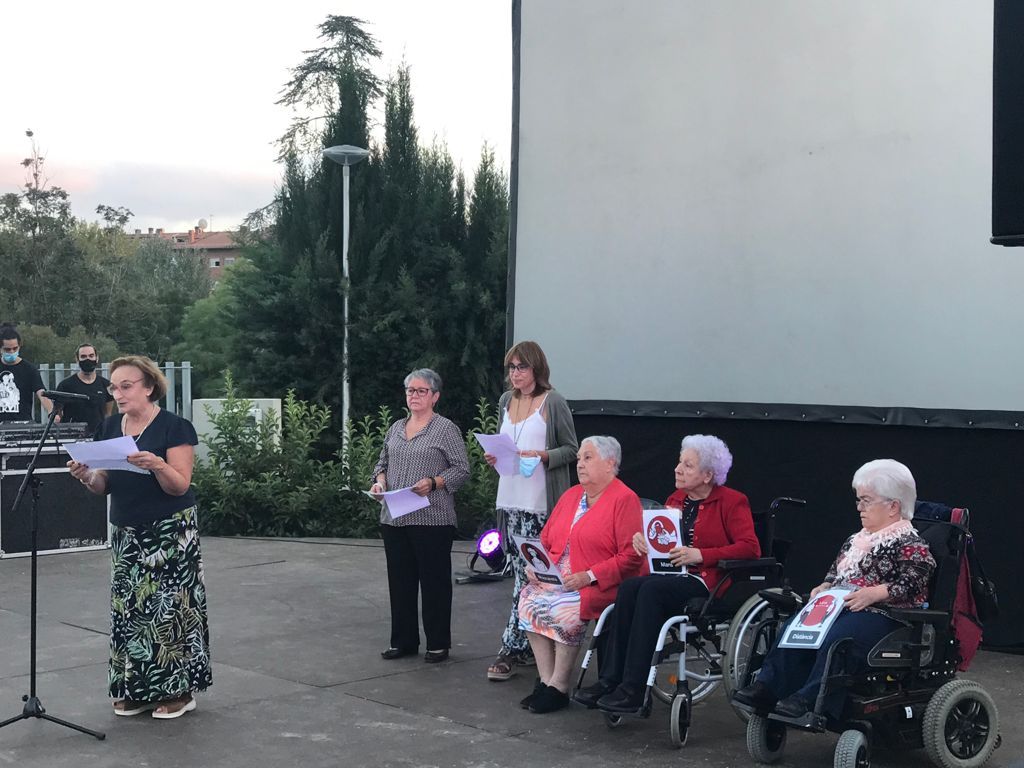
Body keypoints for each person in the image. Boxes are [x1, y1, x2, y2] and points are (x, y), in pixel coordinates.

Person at [732, 459, 935, 719]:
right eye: (858, 500)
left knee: (838, 638)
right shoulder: (856, 539)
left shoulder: (909, 542)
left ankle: (810, 698)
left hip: (887, 615)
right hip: (843, 606)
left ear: (893, 506)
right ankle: (768, 687)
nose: (860, 508)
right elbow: (834, 573)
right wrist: (825, 586)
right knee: (798, 627)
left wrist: (875, 593)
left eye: (866, 501)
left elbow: (915, 580)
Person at [67, 355, 211, 719]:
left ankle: (178, 691)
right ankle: (136, 689)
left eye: (126, 386)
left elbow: (180, 486)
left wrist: (158, 464)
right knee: (129, 609)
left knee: (170, 609)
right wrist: (86, 476)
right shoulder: (110, 426)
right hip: (127, 530)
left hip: (169, 530)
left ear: (149, 387)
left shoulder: (174, 428)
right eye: (114, 387)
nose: (118, 393)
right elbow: (104, 485)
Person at [576, 434, 760, 713]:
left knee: (650, 591)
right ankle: (610, 680)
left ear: (708, 474)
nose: (677, 469)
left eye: (688, 465)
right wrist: (643, 542)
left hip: (709, 582)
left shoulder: (732, 502)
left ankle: (634, 689)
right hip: (674, 575)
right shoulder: (676, 499)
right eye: (679, 462)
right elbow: (661, 540)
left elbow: (750, 548)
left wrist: (702, 555)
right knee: (629, 588)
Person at [517, 436, 644, 714]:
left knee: (564, 609)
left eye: (588, 458)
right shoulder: (572, 495)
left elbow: (631, 557)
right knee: (527, 601)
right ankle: (546, 681)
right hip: (556, 575)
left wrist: (589, 576)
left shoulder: (625, 499)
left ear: (610, 464)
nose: (580, 465)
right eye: (579, 459)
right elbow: (547, 538)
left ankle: (560, 686)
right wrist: (536, 566)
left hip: (597, 582)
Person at [485, 340, 578, 681]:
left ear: (537, 369)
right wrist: (495, 456)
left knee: (533, 576)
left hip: (542, 503)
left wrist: (543, 457)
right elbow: (505, 444)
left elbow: (572, 449)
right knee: (520, 575)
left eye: (521, 367)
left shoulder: (553, 402)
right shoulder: (505, 402)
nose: (515, 374)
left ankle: (510, 647)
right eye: (511, 368)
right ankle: (526, 644)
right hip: (511, 497)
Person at [371, 368, 471, 663]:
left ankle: (438, 643)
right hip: (394, 517)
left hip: (432, 519)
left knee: (434, 583)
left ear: (435, 396)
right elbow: (382, 462)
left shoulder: (445, 429)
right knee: (400, 582)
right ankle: (403, 641)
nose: (414, 396)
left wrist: (434, 482)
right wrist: (379, 481)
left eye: (421, 391)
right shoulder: (396, 427)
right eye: (410, 390)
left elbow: (462, 470)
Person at [55, 343, 114, 434]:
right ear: (77, 359)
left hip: (98, 436)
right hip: (73, 436)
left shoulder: (106, 385)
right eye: (83, 356)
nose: (88, 359)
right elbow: (57, 412)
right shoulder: (65, 385)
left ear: (97, 358)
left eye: (91, 356)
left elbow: (108, 414)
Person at [0, 324, 52, 421]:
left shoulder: (29, 369)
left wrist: (51, 412)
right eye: (7, 349)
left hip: (22, 424)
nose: (11, 352)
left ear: (19, 346)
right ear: (1, 349)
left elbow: (42, 393)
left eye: (15, 348)